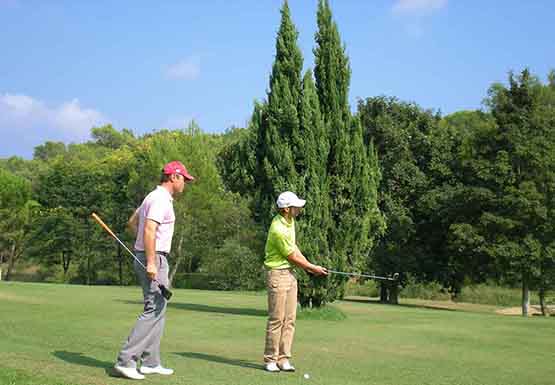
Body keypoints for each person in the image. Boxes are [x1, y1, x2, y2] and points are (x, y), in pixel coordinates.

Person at [114, 160, 194, 380]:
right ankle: (126, 360)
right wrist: (150, 260)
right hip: (154, 258)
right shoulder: (160, 199)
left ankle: (150, 362)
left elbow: (133, 222)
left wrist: (141, 248)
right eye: (184, 179)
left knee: (159, 308)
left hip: (150, 255)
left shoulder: (152, 196)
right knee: (153, 309)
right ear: (174, 177)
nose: (185, 184)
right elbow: (149, 228)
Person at [263, 191, 328, 373]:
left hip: (290, 275)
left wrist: (309, 265)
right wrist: (311, 267)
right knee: (277, 319)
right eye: (295, 206)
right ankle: (270, 359)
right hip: (277, 275)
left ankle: (283, 359)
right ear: (285, 209)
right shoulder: (278, 229)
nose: (299, 209)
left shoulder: (290, 222)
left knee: (290, 319)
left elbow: (294, 248)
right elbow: (291, 255)